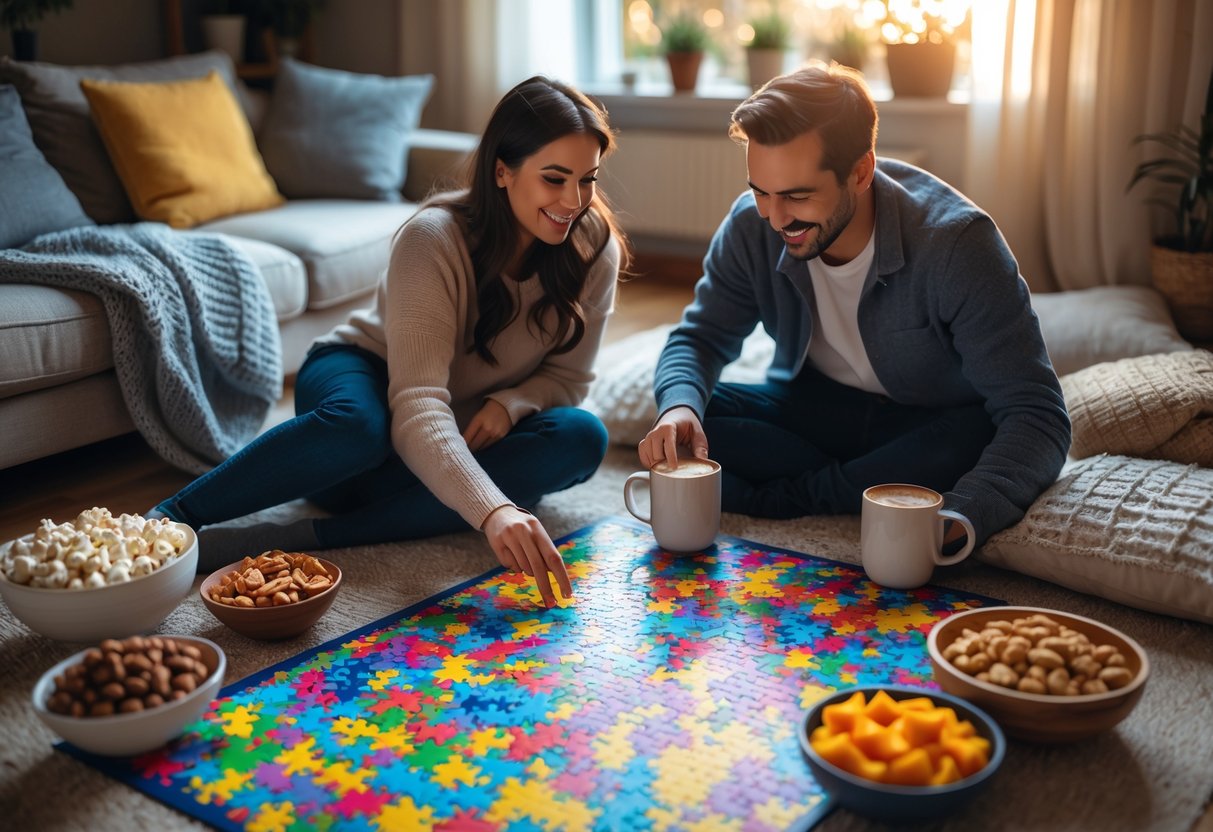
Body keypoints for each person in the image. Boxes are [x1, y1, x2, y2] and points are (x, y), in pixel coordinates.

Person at [150, 76, 627, 607]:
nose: (575, 201)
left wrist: (512, 403)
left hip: (442, 445)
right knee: (361, 428)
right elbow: (419, 404)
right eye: (555, 179)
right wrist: (495, 509)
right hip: (365, 388)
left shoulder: (593, 249)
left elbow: (569, 379)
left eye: (587, 180)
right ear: (502, 171)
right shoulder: (433, 239)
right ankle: (170, 520)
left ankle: (299, 537)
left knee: (581, 437)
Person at [637, 63, 1070, 550]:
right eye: (761, 192)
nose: (775, 218)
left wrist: (964, 513)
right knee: (693, 419)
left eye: (797, 196)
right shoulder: (750, 224)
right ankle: (853, 489)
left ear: (861, 171)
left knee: (974, 438)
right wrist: (676, 410)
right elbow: (700, 339)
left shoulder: (957, 245)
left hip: (929, 424)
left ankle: (785, 497)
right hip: (819, 408)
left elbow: (1038, 416)